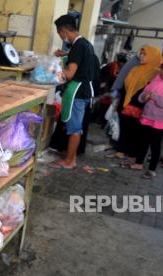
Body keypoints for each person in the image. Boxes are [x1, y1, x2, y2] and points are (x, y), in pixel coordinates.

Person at [49, 14, 97, 169]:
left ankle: (70, 161)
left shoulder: (77, 46)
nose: (61, 37)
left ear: (64, 31)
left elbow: (69, 74)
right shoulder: (85, 43)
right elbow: (81, 58)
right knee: (75, 126)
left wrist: (53, 70)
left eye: (60, 34)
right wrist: (66, 55)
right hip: (85, 90)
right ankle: (71, 157)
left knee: (74, 128)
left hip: (78, 92)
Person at [130, 58, 163, 179]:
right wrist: (145, 97)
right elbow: (141, 97)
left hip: (160, 120)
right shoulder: (155, 80)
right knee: (143, 141)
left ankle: (152, 169)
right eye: (162, 68)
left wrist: (156, 98)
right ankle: (139, 163)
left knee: (155, 145)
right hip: (147, 116)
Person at [113, 46, 163, 163]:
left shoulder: (156, 73)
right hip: (127, 104)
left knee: (136, 131)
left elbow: (151, 91)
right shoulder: (135, 69)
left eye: (145, 54)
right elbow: (126, 87)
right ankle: (122, 149)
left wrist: (136, 102)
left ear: (152, 56)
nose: (141, 56)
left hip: (141, 107)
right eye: (141, 54)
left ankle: (132, 153)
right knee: (125, 127)